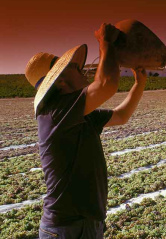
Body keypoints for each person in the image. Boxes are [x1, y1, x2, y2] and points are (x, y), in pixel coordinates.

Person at [24, 23, 147, 238]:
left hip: (84, 225)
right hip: (67, 229)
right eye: (73, 66)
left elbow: (122, 115)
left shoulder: (80, 114)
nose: (80, 68)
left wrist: (140, 83)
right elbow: (106, 83)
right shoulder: (56, 113)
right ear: (60, 82)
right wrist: (105, 42)